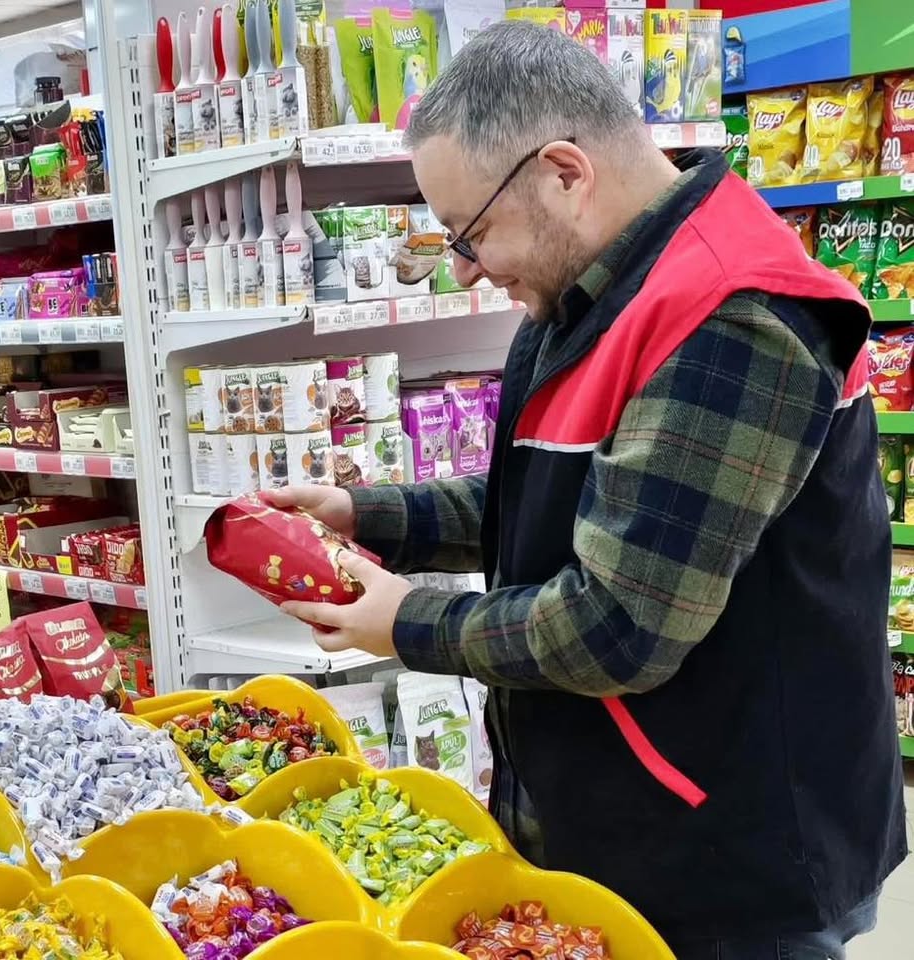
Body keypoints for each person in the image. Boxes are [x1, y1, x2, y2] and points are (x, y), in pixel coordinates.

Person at [268, 20, 907, 959]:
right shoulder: (594, 291)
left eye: (470, 233)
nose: (464, 269)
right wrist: (367, 516)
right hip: (633, 814)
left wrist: (406, 622)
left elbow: (619, 624)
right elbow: (552, 490)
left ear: (564, 171)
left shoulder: (734, 318)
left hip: (734, 846)